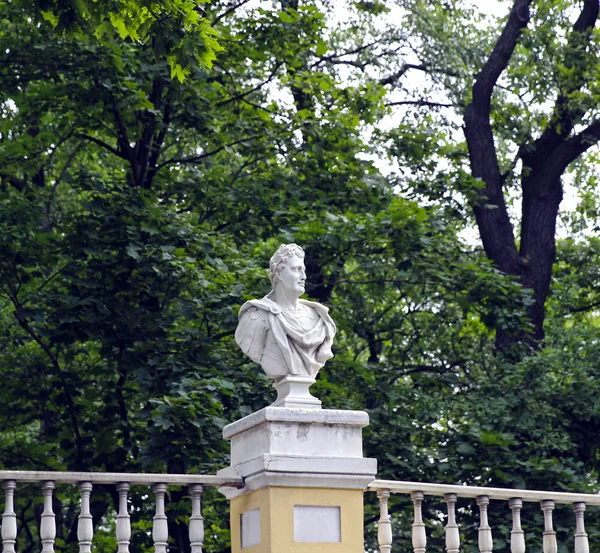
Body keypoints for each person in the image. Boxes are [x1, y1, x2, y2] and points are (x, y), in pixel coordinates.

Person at [235, 244, 336, 380]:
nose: (304, 276)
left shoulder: (319, 317)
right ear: (279, 273)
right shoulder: (257, 316)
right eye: (296, 269)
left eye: (304, 270)